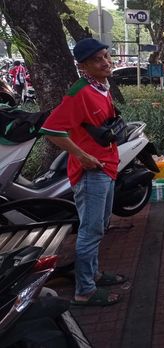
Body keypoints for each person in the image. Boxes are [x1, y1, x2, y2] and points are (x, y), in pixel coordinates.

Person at [40, 38, 126, 307]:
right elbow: (52, 130)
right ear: (83, 66)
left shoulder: (101, 87)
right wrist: (83, 156)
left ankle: (94, 274)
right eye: (98, 59)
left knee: (99, 227)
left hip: (107, 165)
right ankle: (85, 291)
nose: (106, 62)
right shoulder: (79, 92)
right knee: (90, 231)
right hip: (92, 172)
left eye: (106, 56)